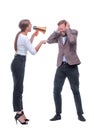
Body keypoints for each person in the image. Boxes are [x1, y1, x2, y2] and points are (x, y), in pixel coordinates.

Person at [47, 20, 86, 121]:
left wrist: (67, 30)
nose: (61, 30)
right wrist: (57, 31)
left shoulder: (73, 32)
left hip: (72, 66)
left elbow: (72, 41)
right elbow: (49, 40)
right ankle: (58, 114)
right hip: (60, 66)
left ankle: (80, 114)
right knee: (56, 90)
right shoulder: (59, 36)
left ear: (67, 26)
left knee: (75, 90)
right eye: (59, 28)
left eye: (62, 27)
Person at [11, 19, 46, 125]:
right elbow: (33, 51)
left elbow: (27, 46)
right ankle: (18, 113)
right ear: (27, 27)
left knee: (19, 88)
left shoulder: (22, 36)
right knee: (18, 89)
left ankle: (21, 112)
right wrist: (41, 42)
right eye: (30, 25)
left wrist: (33, 37)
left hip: (18, 62)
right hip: (19, 63)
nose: (32, 26)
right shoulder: (23, 37)